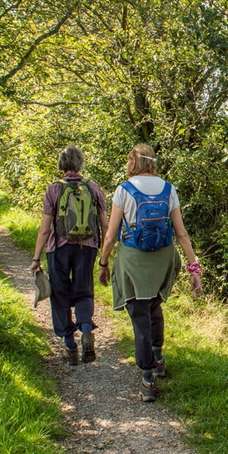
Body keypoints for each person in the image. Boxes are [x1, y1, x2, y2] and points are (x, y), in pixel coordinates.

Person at [99, 144, 202, 402]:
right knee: (154, 304)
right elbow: (181, 233)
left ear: (134, 161)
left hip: (134, 259)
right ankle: (158, 357)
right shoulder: (169, 189)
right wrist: (194, 268)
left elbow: (111, 235)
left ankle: (148, 377)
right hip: (164, 258)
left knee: (139, 314)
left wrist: (103, 263)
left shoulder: (124, 190)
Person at [30, 145, 108, 365]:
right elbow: (104, 223)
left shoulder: (53, 189)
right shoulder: (93, 187)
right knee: (84, 290)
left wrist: (36, 258)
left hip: (58, 248)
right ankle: (85, 329)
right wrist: (105, 255)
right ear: (81, 163)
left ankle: (69, 346)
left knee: (60, 293)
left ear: (61, 165)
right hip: (88, 247)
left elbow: (45, 228)